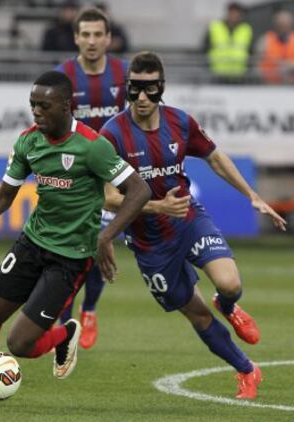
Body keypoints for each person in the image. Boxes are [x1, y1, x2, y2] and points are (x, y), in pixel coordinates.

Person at [0, 70, 151, 408]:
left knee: (20, 343)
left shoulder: (92, 147)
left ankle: (64, 333)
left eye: (44, 105)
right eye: (32, 105)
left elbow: (140, 190)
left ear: (66, 106)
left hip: (70, 256)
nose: (36, 112)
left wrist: (106, 236)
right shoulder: (28, 141)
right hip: (32, 242)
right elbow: (7, 195)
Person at [102, 51, 287, 399]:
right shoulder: (112, 135)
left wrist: (253, 195)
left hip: (188, 220)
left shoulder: (180, 122)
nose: (142, 98)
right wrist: (158, 206)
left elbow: (215, 157)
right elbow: (109, 198)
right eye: (135, 89)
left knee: (230, 284)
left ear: (161, 88)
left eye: (150, 89)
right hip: (149, 244)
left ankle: (229, 305)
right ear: (127, 89)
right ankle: (247, 370)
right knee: (197, 315)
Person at [55, 6, 128, 349]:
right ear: (76, 39)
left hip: (111, 175)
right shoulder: (63, 76)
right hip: (73, 173)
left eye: (98, 34)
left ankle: (90, 310)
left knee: (99, 245)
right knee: (67, 250)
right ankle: (63, 323)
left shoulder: (124, 75)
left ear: (109, 38)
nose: (92, 41)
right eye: (85, 34)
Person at [202, 2, 253, 83]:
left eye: (236, 12)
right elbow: (204, 48)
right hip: (218, 73)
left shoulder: (246, 29)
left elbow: (251, 51)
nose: (234, 15)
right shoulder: (215, 27)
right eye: (232, 12)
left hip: (239, 75)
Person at [257, 10, 294, 84]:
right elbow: (257, 61)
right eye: (280, 24)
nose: (283, 28)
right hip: (270, 84)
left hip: (291, 85)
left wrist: (289, 65)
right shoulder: (265, 39)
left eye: (285, 25)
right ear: (275, 25)